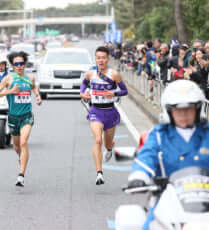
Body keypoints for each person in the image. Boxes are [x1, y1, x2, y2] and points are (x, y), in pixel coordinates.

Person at [127, 80, 209, 229]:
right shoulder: (158, 135)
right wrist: (139, 176)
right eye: (178, 110)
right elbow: (147, 156)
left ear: (198, 109)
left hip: (205, 199)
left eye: (189, 109)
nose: (183, 114)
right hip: (168, 201)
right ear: (169, 111)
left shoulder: (207, 133)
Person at [80, 46, 128, 185]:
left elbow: (124, 91)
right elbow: (83, 84)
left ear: (108, 59)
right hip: (96, 111)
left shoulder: (114, 74)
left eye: (103, 58)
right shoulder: (90, 74)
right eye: (98, 58)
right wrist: (83, 93)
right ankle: (99, 173)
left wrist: (114, 93)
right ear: (95, 59)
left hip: (110, 112)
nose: (101, 60)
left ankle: (110, 147)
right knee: (97, 140)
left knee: (107, 143)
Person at [0, 51, 42, 187]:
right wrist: (10, 91)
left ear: (25, 64)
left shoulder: (30, 78)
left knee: (23, 142)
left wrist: (38, 96)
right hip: (13, 117)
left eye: (21, 63)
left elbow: (34, 88)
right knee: (16, 146)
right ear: (13, 65)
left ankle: (21, 175)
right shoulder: (8, 79)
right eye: (16, 64)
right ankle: (21, 157)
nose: (19, 66)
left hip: (27, 116)